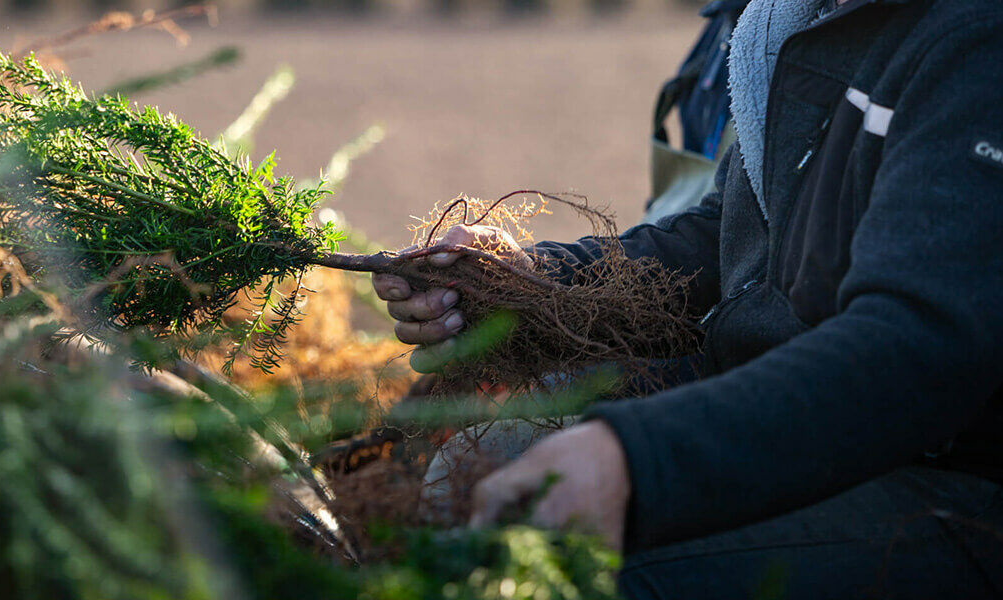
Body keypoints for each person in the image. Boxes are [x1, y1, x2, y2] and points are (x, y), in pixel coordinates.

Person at [371, 0, 1003, 597]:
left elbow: (913, 353)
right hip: (789, 420)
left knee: (571, 569)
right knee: (476, 462)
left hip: (945, 480)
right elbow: (725, 232)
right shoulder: (811, 22)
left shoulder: (975, 44)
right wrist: (527, 280)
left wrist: (636, 460)